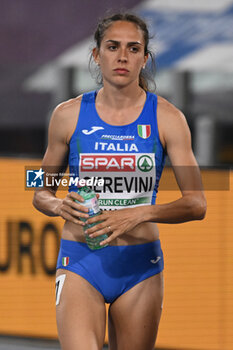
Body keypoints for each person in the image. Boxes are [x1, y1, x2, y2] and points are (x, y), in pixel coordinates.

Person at [33, 12, 206, 350]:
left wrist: (140, 213)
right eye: (113, 47)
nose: (123, 56)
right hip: (81, 260)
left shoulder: (168, 119)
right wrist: (55, 203)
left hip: (140, 266)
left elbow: (197, 203)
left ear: (145, 57)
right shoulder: (66, 115)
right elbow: (38, 185)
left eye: (133, 48)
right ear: (97, 55)